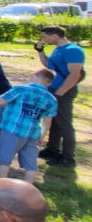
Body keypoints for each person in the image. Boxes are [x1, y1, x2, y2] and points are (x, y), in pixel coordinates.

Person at [0, 68, 58, 181]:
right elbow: (47, 121)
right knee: (31, 165)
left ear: (33, 76)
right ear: (49, 83)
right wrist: (42, 136)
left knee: (4, 159)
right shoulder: (51, 99)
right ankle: (28, 186)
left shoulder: (21, 89)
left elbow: (1, 101)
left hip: (12, 129)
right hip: (33, 133)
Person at [37, 25, 86, 168]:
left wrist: (61, 91)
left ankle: (68, 157)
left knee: (64, 123)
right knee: (53, 120)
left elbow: (75, 74)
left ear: (55, 36)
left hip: (64, 91)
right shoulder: (58, 49)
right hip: (53, 89)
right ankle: (52, 149)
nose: (43, 39)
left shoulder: (73, 50)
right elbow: (49, 65)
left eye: (45, 37)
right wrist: (40, 51)